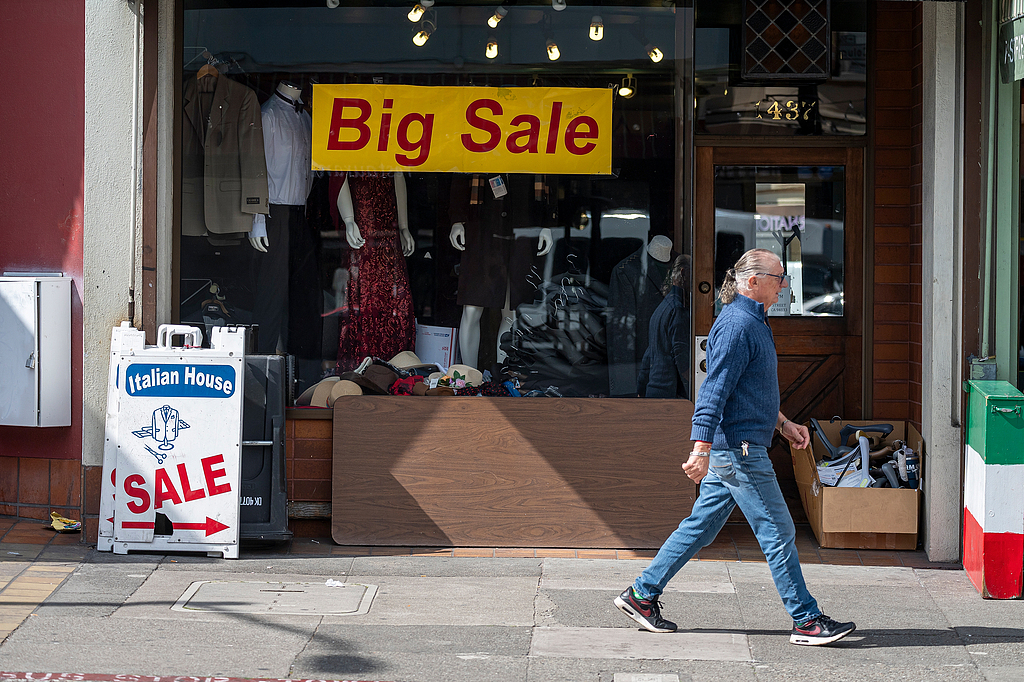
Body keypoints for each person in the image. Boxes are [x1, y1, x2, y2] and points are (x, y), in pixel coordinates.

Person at [614, 248, 856, 647]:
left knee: (700, 528)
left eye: (784, 278)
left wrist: (783, 423)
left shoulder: (754, 321)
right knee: (778, 531)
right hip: (739, 451)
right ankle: (806, 620)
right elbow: (714, 390)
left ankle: (641, 595)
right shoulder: (738, 324)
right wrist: (700, 448)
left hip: (739, 447)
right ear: (752, 281)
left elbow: (750, 389)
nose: (784, 285)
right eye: (779, 278)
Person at [637, 253, 690, 399]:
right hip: (670, 395)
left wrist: (641, 387)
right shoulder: (678, 309)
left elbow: (649, 354)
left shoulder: (663, 306)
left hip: (654, 389)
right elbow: (681, 357)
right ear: (683, 273)